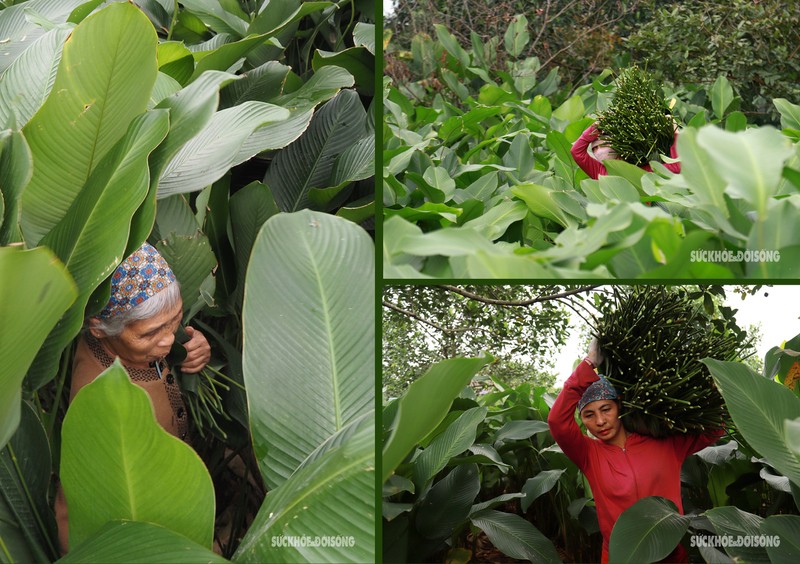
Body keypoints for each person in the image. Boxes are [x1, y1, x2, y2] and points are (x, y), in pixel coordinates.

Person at [54, 242, 211, 553]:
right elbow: (73, 511)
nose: (169, 341)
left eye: (176, 320)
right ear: (98, 328)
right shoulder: (101, 401)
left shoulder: (127, 347)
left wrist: (196, 350)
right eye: (151, 334)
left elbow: (167, 344)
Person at [547, 338, 723, 563]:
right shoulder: (588, 454)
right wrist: (590, 363)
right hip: (621, 556)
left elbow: (715, 429)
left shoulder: (664, 442)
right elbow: (557, 422)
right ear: (582, 420)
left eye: (606, 409)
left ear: (619, 406)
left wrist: (715, 389)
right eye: (589, 415)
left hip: (670, 554)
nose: (600, 421)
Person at [570, 123, 681, 180]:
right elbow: (576, 152)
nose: (599, 151)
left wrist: (675, 133)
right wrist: (596, 127)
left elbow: (676, 167)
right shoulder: (599, 171)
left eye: (603, 145)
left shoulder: (641, 170)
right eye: (594, 148)